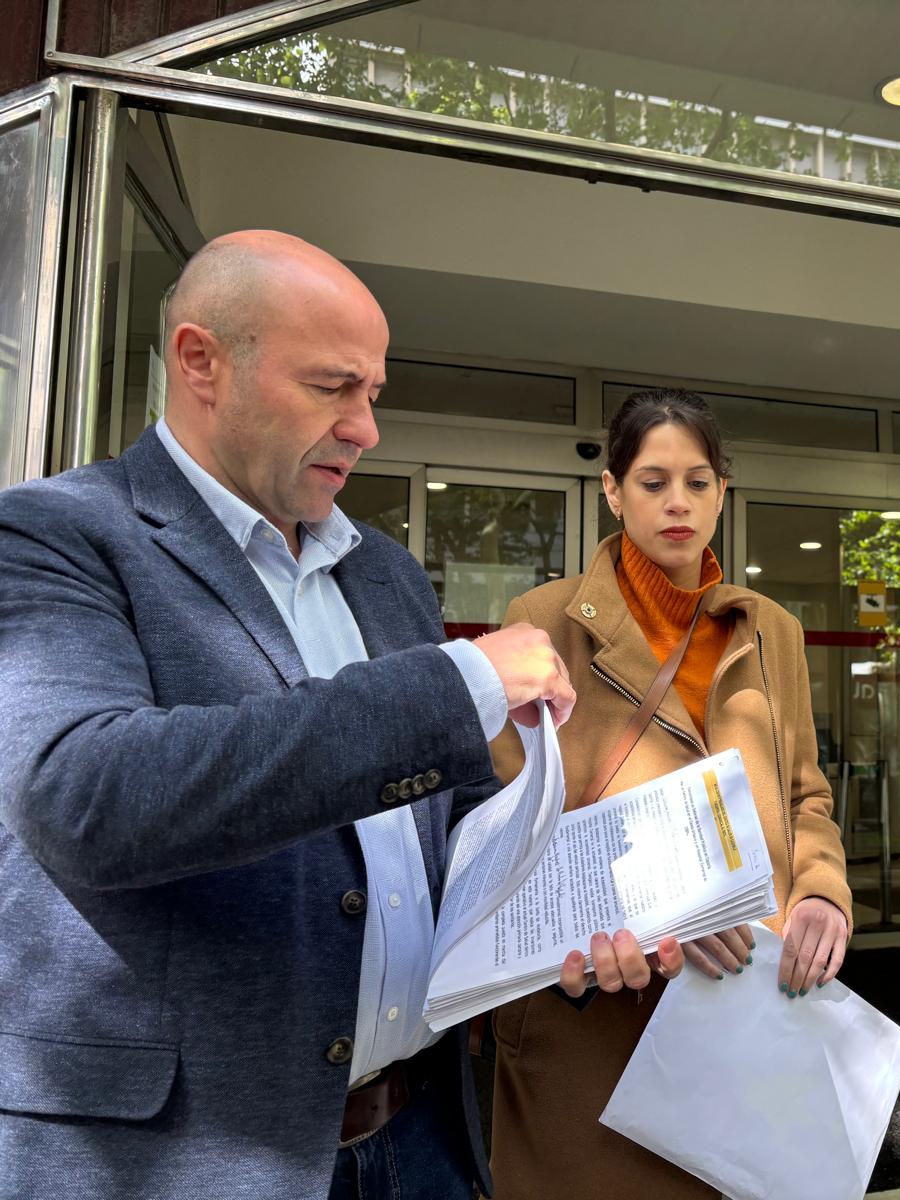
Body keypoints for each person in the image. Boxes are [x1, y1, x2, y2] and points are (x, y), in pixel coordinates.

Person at [0, 230, 581, 1199]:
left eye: (373, 392)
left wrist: (583, 904)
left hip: (422, 1135)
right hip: (193, 1158)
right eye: (331, 387)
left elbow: (449, 823)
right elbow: (83, 796)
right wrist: (458, 685)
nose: (366, 428)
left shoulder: (386, 573)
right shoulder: (54, 534)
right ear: (200, 362)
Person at [487, 389, 852, 1199]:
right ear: (613, 492)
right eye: (652, 482)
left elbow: (806, 796)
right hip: (596, 1023)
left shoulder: (771, 630)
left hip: (742, 1009)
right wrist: (662, 911)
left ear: (723, 491)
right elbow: (510, 825)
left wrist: (823, 891)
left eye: (697, 481)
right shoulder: (543, 621)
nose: (678, 502)